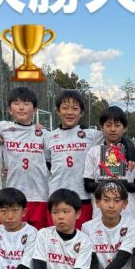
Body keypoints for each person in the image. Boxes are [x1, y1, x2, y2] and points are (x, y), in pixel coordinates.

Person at [0, 85, 50, 230]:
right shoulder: (3, 127)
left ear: (35, 110)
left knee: (38, 235)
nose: (21, 108)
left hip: (40, 195)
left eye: (26, 104)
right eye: (16, 103)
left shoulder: (44, 133)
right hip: (14, 195)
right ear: (9, 109)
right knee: (15, 234)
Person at [45, 89, 101, 225]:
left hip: (83, 198)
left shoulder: (92, 135)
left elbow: (116, 136)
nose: (69, 112)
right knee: (56, 237)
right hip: (56, 198)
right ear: (57, 111)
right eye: (65, 108)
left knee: (82, 237)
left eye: (75, 108)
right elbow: (48, 164)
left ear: (81, 112)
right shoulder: (49, 137)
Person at [83, 105, 135, 198]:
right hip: (100, 207)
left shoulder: (133, 153)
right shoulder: (93, 152)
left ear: (124, 128)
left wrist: (122, 184)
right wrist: (112, 184)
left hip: (127, 207)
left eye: (117, 125)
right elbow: (88, 186)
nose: (113, 129)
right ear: (101, 127)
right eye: (108, 125)